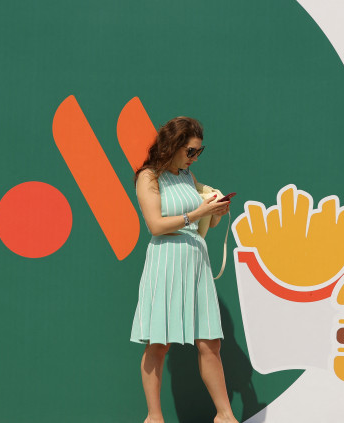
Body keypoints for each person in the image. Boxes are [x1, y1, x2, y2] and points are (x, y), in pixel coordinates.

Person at [130, 117, 239, 423]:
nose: (195, 157)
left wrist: (215, 212)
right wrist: (198, 212)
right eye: (191, 151)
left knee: (210, 342)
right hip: (166, 259)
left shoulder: (188, 176)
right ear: (172, 146)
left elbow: (204, 222)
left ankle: (225, 415)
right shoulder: (148, 177)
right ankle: (154, 417)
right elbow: (155, 226)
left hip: (196, 259)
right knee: (158, 343)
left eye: (199, 152)